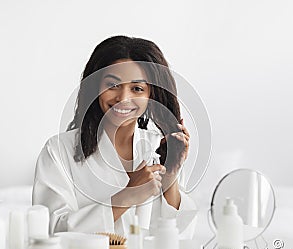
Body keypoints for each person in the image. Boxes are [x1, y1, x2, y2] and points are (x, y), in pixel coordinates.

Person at [32, 36, 198, 238]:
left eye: (137, 89)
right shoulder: (58, 151)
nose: (123, 99)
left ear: (150, 95)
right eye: (113, 85)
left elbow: (179, 238)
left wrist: (171, 177)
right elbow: (51, 231)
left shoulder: (159, 147)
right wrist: (126, 197)